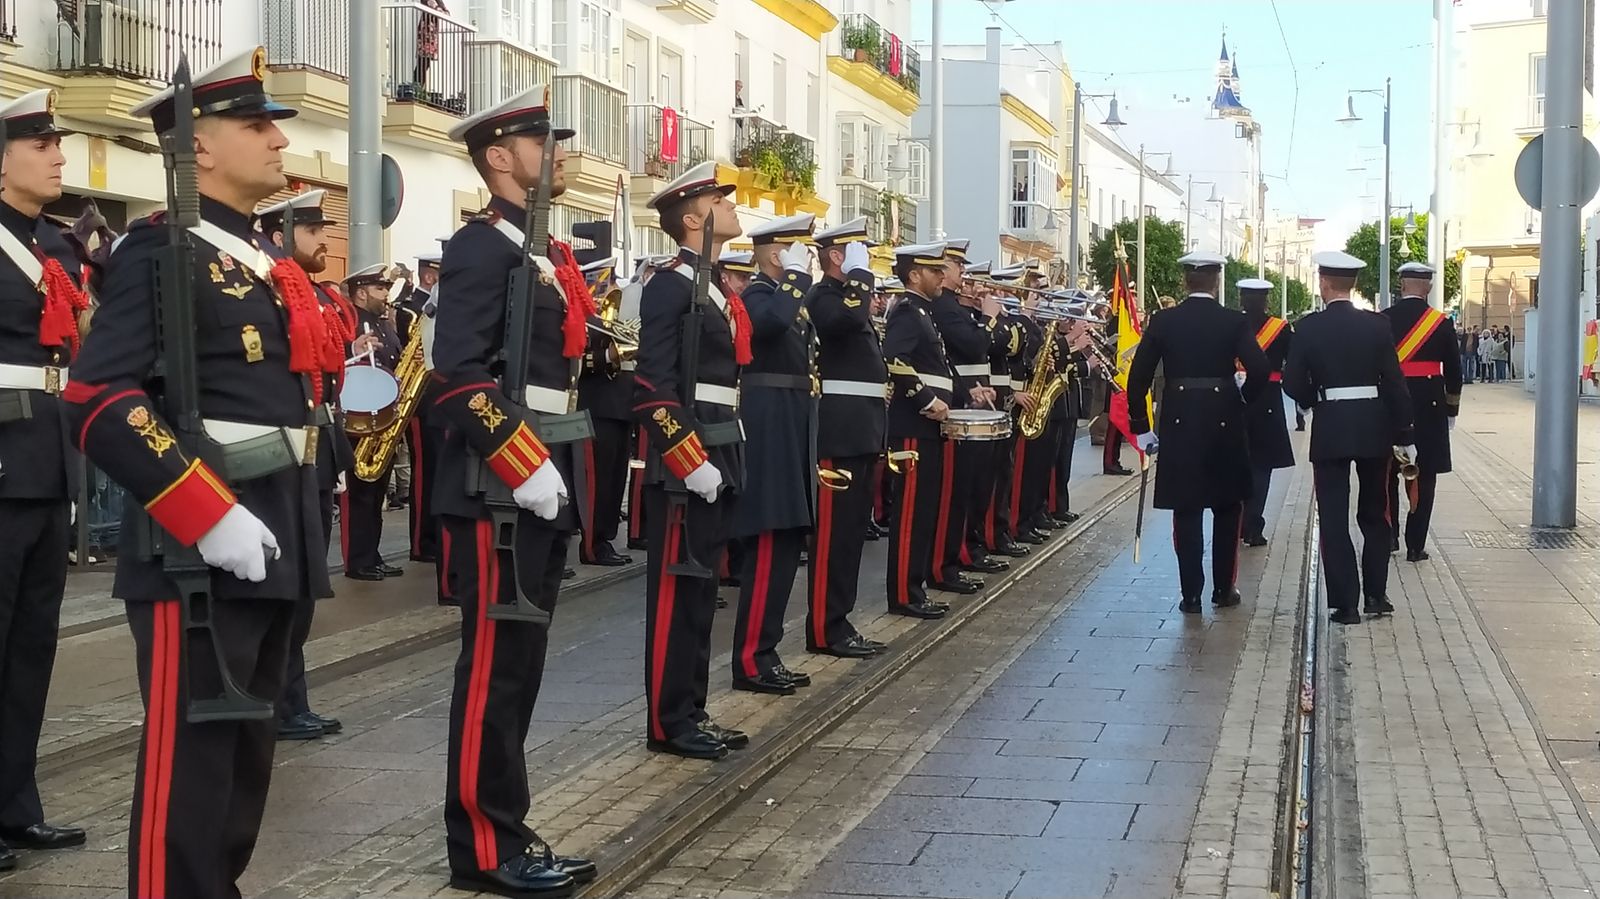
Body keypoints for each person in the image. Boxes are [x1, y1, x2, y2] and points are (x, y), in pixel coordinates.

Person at [65, 47, 337, 896]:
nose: (275, 138)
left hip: (277, 527)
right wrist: (203, 511)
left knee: (247, 760)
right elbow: (98, 398)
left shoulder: (256, 256)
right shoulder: (161, 249)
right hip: (202, 547)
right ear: (199, 147)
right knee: (191, 762)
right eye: (254, 124)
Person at [427, 84, 596, 896]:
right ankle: (484, 845)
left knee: (519, 671)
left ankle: (509, 829)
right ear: (500, 157)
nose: (557, 154)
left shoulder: (532, 249)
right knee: (493, 669)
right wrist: (522, 461)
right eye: (541, 142)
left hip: (539, 476)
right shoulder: (481, 248)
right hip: (503, 488)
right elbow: (455, 378)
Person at [0, 88, 88, 872]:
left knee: (31, 647)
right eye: (42, 144)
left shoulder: (55, 248)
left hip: (45, 460)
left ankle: (15, 803)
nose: (59, 154)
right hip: (1, 462)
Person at [635, 161, 749, 761]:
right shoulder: (670, 285)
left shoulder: (712, 285)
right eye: (718, 199)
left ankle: (693, 709)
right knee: (677, 591)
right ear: (691, 218)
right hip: (690, 455)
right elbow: (653, 386)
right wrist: (688, 457)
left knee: (702, 589)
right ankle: (668, 720)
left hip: (719, 443)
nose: (731, 207)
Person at [256, 188, 352, 741]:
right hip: (282, 447)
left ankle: (292, 699)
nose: (324, 240)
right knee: (281, 585)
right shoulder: (271, 289)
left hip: (317, 440)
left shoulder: (312, 295)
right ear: (278, 236)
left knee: (305, 587)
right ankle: (278, 701)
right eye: (313, 231)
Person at [1126, 251, 1270, 613]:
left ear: (1185, 281)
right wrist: (1241, 398)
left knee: (1186, 510)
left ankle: (1190, 595)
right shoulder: (1233, 321)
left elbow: (1138, 376)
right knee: (1226, 508)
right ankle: (1224, 590)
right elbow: (1260, 369)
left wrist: (1141, 428)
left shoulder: (1164, 320)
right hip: (1224, 418)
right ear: (1217, 281)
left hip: (1179, 420)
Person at [1282, 251, 1415, 625]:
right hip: (1374, 425)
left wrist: (1315, 401)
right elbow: (1394, 382)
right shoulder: (1377, 326)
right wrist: (1405, 432)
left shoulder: (1307, 327)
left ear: (1324, 283)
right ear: (1352, 285)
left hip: (1332, 426)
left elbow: (1293, 382)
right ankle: (1376, 595)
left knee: (1335, 518)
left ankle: (1345, 604)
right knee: (1375, 514)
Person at [728, 212, 818, 695]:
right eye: (793, 249)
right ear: (771, 252)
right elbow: (769, 325)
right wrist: (798, 279)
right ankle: (750, 659)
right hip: (768, 426)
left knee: (785, 543)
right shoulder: (759, 295)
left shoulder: (791, 300)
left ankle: (767, 650)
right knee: (767, 543)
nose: (802, 258)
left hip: (791, 422)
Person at [806, 218, 889, 659]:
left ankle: (839, 620)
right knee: (833, 539)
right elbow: (844, 322)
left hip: (860, 430)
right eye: (857, 252)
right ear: (836, 256)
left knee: (851, 536)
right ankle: (824, 627)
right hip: (838, 432)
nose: (867, 260)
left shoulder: (846, 297)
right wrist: (859, 277)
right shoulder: (823, 297)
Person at [883, 241, 956, 621]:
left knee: (925, 509)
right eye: (934, 270)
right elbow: (894, 359)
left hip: (929, 428)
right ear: (914, 275)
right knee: (911, 512)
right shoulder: (909, 312)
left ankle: (915, 587)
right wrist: (927, 400)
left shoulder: (924, 312)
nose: (942, 275)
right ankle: (904, 593)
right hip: (914, 425)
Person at [928, 242, 998, 595]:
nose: (962, 273)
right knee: (959, 493)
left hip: (969, 399)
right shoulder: (943, 307)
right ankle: (951, 561)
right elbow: (973, 346)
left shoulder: (953, 307)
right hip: (953, 409)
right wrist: (987, 317)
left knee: (976, 486)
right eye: (957, 264)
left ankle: (964, 553)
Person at [1384, 262, 1461, 562]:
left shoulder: (1384, 320)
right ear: (1427, 287)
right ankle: (1416, 545)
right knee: (1425, 475)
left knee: (1388, 472)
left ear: (1402, 285)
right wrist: (1451, 409)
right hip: (1429, 407)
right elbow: (1454, 372)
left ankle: (1389, 536)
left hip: (1392, 404)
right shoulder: (1441, 324)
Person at [339, 264, 405, 581]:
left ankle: (372, 554)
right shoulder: (347, 320)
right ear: (362, 292)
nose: (386, 295)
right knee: (359, 493)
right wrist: (350, 350)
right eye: (380, 290)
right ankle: (356, 560)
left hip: (383, 418)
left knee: (376, 491)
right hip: (357, 420)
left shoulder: (383, 325)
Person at [576, 255, 635, 568]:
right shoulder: (582, 319)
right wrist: (610, 354)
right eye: (606, 281)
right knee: (597, 482)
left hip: (620, 407)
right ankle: (592, 544)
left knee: (614, 481)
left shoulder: (610, 319)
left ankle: (606, 537)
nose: (611, 288)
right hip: (597, 407)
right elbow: (578, 364)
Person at [1236, 278, 1295, 547]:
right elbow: (1292, 362)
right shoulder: (1281, 329)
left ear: (1241, 300)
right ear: (1267, 301)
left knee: (1235, 462)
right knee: (1262, 467)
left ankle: (1235, 523)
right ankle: (1253, 525)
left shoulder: (1232, 324)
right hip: (1268, 399)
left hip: (1234, 397)